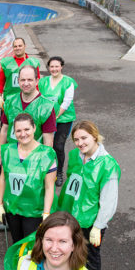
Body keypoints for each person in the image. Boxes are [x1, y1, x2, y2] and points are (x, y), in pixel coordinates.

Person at [58, 120, 120, 270]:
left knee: (90, 258)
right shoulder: (74, 155)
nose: (80, 143)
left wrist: (98, 226)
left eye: (84, 138)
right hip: (70, 216)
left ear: (94, 136)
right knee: (71, 254)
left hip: (90, 222)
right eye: (76, 139)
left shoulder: (108, 165)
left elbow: (109, 201)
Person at [0, 113, 57, 241]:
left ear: (34, 128)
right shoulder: (7, 151)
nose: (23, 134)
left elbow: (49, 187)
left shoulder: (47, 154)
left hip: (34, 211)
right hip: (13, 208)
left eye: (26, 129)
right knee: (16, 241)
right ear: (14, 132)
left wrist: (46, 213)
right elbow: (3, 179)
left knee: (31, 247)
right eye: (18, 131)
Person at [0, 65, 56, 171]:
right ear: (18, 81)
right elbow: (4, 130)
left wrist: (45, 165)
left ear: (37, 81)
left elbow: (48, 141)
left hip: (34, 159)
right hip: (12, 156)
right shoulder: (10, 101)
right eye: (23, 80)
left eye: (30, 80)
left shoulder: (46, 106)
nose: (26, 83)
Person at [0, 37, 41, 158]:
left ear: (25, 46)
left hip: (28, 99)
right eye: (15, 46)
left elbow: (37, 82)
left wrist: (38, 96)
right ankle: (0, 149)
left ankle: (30, 148)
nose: (17, 48)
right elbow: (1, 80)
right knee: (4, 125)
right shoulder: (6, 63)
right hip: (10, 100)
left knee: (28, 124)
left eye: (20, 46)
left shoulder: (33, 63)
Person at [38, 57, 78, 187]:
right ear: (48, 67)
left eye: (57, 66)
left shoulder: (68, 82)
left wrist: (53, 118)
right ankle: (46, 170)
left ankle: (59, 172)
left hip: (63, 119)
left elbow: (66, 103)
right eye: (51, 66)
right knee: (44, 145)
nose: (54, 69)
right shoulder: (43, 82)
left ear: (62, 67)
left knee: (58, 146)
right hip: (46, 118)